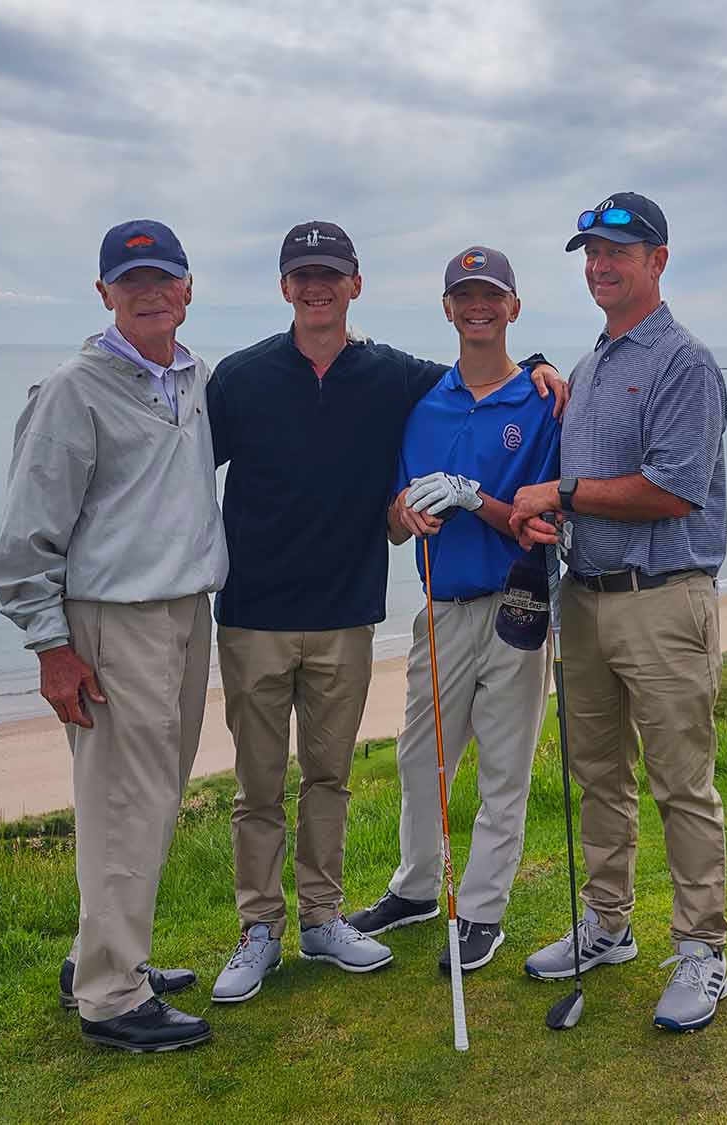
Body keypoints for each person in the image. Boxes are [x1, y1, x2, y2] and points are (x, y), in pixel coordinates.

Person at [206, 222, 566, 1004]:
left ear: (356, 286)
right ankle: (315, 915)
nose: (317, 287)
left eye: (330, 274)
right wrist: (408, 510)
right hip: (295, 612)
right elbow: (395, 512)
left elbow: (535, 490)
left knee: (414, 773)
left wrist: (540, 369)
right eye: (303, 274)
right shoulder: (259, 380)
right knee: (353, 770)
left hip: (449, 607)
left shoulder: (430, 385)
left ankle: (431, 913)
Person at [0, 219, 224, 1052]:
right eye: (133, 282)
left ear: (188, 288)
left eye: (164, 277)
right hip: (112, 622)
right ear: (104, 295)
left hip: (185, 614)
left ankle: (108, 956)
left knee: (148, 798)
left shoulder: (193, 380)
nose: (151, 291)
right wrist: (51, 646)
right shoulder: (72, 391)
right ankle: (111, 999)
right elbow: (26, 538)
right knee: (123, 802)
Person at [509, 192, 727, 1032]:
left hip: (666, 600)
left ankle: (702, 951)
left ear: (658, 260)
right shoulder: (593, 364)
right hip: (587, 597)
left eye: (619, 251)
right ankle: (609, 925)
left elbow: (674, 490)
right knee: (597, 774)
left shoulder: (684, 362)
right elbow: (591, 491)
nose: (601, 265)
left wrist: (561, 489)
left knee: (683, 784)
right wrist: (552, 513)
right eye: (591, 253)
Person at [344, 247, 560, 973]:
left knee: (503, 766)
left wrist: (476, 497)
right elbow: (395, 518)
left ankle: (484, 911)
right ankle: (415, 890)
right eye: (465, 295)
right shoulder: (424, 404)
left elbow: (535, 520)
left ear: (513, 307)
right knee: (419, 758)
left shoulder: (540, 401)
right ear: (446, 307)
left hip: (517, 602)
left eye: (492, 294)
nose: (479, 306)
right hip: (441, 606)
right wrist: (408, 510)